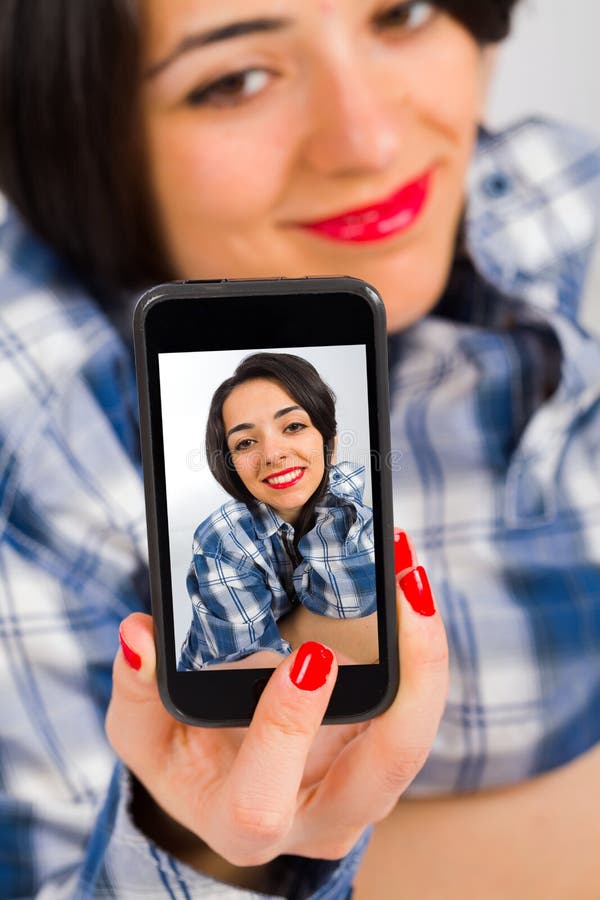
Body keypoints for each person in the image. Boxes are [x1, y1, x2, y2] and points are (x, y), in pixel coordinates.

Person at [0, 1, 599, 897]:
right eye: (235, 79)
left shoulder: (560, 199)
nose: (367, 139)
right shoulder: (40, 417)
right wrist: (192, 845)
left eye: (402, 13)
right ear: (84, 131)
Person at [179, 352, 377, 670]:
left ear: (330, 443)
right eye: (245, 443)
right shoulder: (224, 538)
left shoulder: (345, 500)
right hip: (220, 701)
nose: (272, 454)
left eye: (294, 426)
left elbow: (351, 602)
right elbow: (252, 674)